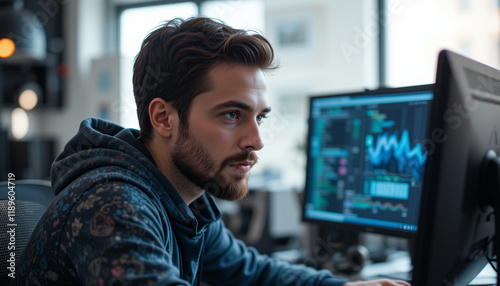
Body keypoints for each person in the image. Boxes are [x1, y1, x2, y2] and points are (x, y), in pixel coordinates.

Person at [15, 17, 410, 286]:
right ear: (164, 118)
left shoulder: (183, 198)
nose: (256, 140)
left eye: (260, 117)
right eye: (231, 115)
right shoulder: (113, 204)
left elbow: (251, 273)